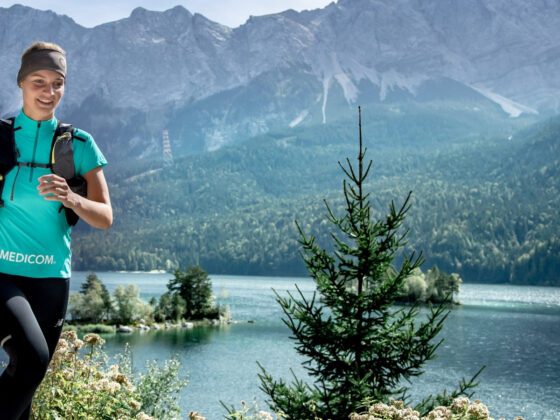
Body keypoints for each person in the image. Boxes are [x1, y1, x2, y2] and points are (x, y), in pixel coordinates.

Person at [0, 41, 112, 419]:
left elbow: (105, 217)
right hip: (2, 273)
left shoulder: (78, 144)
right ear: (21, 83)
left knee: (26, 386)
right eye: (39, 81)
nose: (49, 92)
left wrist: (72, 197)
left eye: (57, 83)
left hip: (51, 277)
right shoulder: (0, 136)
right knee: (33, 359)